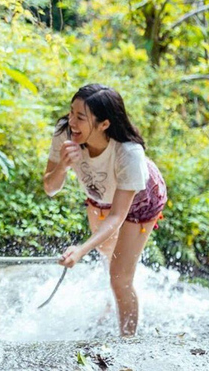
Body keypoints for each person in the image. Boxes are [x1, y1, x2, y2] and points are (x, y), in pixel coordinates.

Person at [43, 84, 167, 336]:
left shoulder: (128, 154)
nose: (71, 122)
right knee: (106, 252)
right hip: (99, 194)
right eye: (71, 113)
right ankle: (118, 292)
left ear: (104, 124)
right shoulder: (65, 133)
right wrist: (63, 167)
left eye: (80, 117)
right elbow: (49, 188)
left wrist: (79, 249)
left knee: (119, 278)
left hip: (140, 199)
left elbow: (118, 216)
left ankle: (127, 345)